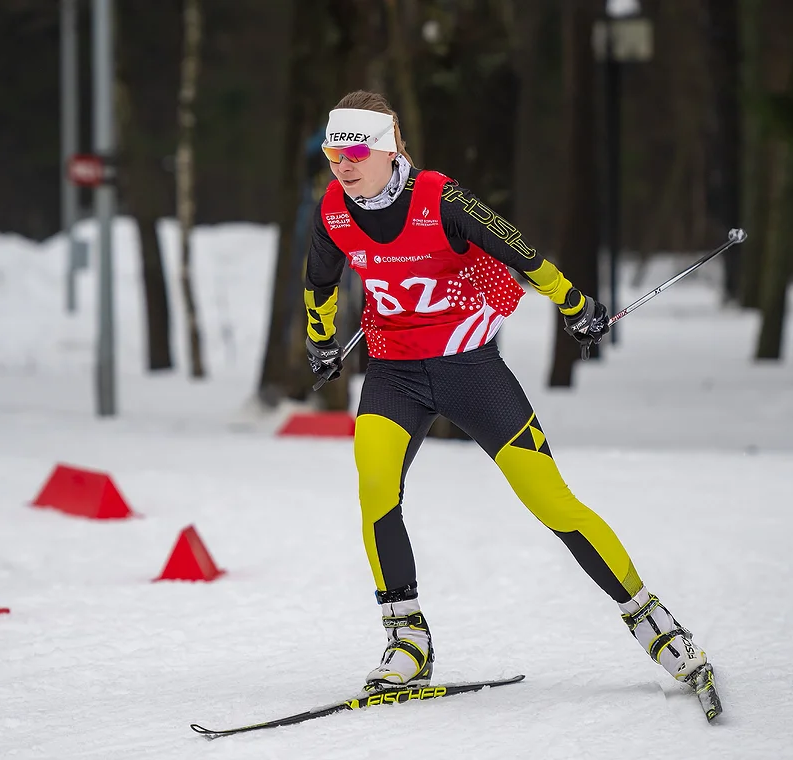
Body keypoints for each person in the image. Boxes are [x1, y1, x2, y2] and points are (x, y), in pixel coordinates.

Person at [304, 90, 715, 702]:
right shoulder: (334, 210)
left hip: (470, 370)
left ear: (388, 148)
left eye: (355, 152)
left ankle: (655, 624)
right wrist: (320, 343)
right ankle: (407, 640)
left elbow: (521, 252)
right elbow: (321, 281)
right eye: (334, 153)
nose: (343, 165)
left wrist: (575, 304)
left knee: (551, 501)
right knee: (375, 492)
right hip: (393, 374)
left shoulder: (440, 198)